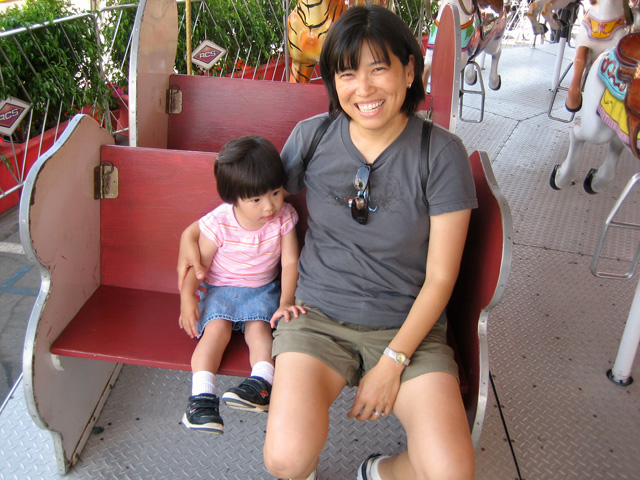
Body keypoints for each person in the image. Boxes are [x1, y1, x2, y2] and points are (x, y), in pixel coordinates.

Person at [178, 6, 477, 479]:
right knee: (286, 459)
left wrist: (393, 362)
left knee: (450, 474)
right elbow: (255, 197)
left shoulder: (439, 154)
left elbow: (442, 276)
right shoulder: (313, 137)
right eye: (347, 72)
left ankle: (378, 472)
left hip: (408, 328)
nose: (364, 88)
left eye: (379, 68)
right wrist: (192, 232)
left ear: (409, 70)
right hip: (316, 318)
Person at [178, 135, 304, 434]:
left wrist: (286, 300)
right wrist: (187, 299)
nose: (270, 206)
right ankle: (201, 400)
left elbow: (289, 263)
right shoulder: (219, 223)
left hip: (261, 290)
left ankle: (261, 384)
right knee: (216, 332)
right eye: (256, 199)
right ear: (234, 197)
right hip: (220, 290)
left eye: (275, 192)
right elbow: (198, 268)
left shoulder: (284, 218)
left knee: (259, 329)